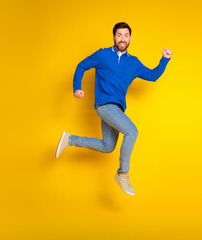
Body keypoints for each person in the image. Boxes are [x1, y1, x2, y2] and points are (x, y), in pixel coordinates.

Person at [56, 22, 172, 196]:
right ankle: (122, 174)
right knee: (132, 132)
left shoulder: (134, 63)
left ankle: (70, 139)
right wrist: (76, 87)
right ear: (114, 37)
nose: (122, 39)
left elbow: (152, 75)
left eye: (126, 35)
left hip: (116, 109)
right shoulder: (103, 54)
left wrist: (165, 59)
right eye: (119, 35)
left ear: (130, 38)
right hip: (104, 105)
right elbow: (82, 65)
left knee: (108, 146)